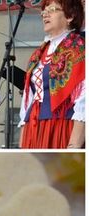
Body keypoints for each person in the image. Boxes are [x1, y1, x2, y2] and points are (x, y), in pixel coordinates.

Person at [18, 0, 85, 148]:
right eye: (43, 11)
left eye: (53, 9)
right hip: (34, 127)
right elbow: (27, 101)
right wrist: (22, 144)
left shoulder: (80, 48)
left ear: (70, 16)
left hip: (62, 126)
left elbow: (84, 100)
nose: (45, 14)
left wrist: (74, 146)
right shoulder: (38, 53)